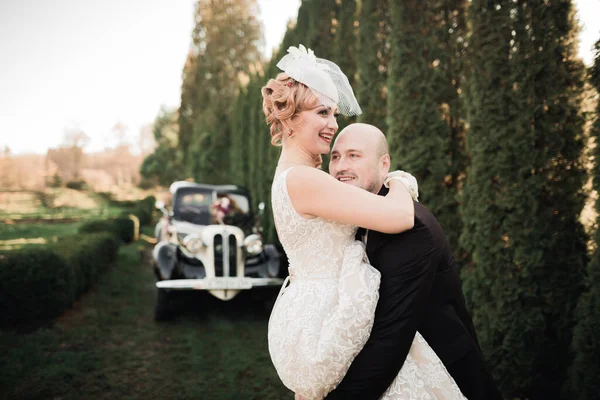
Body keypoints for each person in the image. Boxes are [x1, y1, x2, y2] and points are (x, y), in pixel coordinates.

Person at [263, 45, 466, 399]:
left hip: (312, 307)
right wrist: (399, 181)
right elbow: (401, 216)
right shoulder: (304, 179)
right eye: (323, 112)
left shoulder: (292, 175)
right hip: (328, 317)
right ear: (291, 118)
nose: (334, 123)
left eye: (334, 113)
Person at [324, 123, 504, 400]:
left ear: (384, 165)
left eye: (353, 155)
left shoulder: (412, 231)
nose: (340, 166)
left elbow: (390, 335)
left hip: (437, 374)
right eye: (335, 157)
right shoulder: (355, 218)